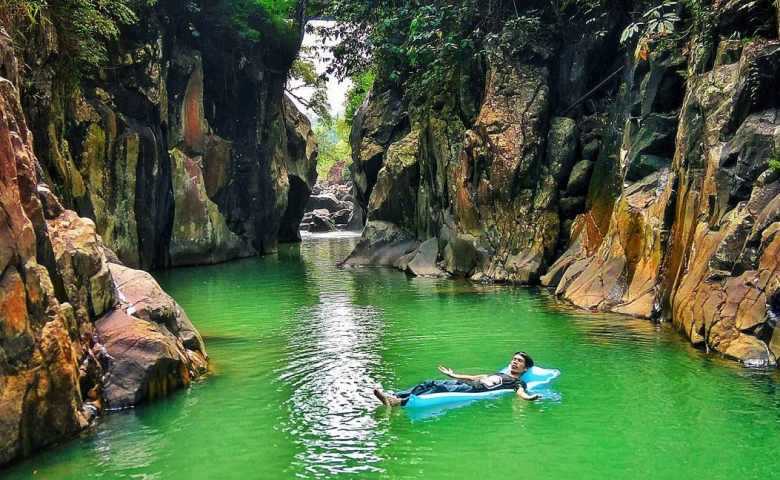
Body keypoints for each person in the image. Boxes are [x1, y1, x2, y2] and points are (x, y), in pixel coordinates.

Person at [373, 351, 540, 407]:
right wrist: (453, 375)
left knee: (438, 389)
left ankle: (397, 402)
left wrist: (529, 398)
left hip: (472, 390)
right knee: (429, 383)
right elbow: (476, 377)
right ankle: (395, 395)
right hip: (466, 384)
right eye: (514, 359)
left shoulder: (517, 382)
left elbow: (520, 392)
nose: (515, 362)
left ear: (525, 368)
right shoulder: (500, 373)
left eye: (519, 361)